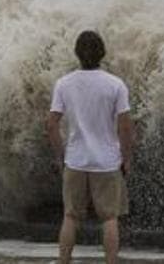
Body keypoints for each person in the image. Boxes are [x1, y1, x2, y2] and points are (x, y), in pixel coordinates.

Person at [47, 30, 134, 264]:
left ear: (77, 54)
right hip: (106, 162)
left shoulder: (64, 83)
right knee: (109, 218)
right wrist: (126, 159)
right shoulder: (115, 84)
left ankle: (63, 261)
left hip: (75, 160)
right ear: (102, 53)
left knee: (71, 217)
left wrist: (61, 155)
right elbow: (125, 128)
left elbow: (51, 124)